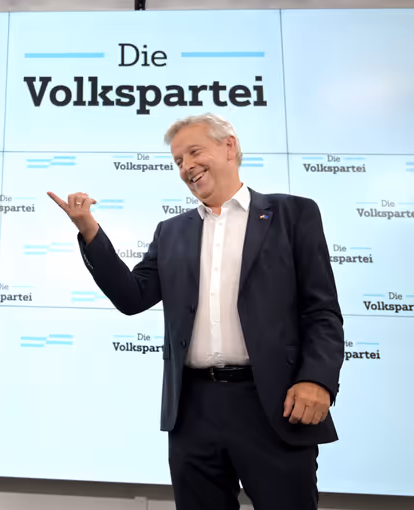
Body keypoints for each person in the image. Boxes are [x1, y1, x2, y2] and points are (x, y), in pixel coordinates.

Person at [48, 113, 344, 510]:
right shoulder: (171, 231)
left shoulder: (293, 214)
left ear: (229, 146)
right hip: (193, 410)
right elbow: (132, 297)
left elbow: (321, 311)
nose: (186, 166)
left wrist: (317, 380)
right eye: (178, 161)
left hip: (273, 404)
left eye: (194, 152)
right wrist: (89, 231)